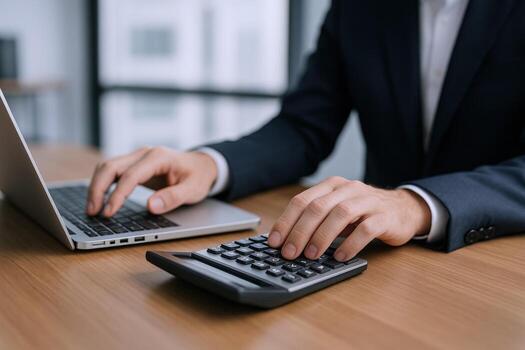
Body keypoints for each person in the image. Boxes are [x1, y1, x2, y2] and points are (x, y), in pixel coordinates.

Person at [87, 0, 525, 262]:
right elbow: (303, 127)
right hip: (379, 265)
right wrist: (209, 164)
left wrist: (416, 205)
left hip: (498, 272)